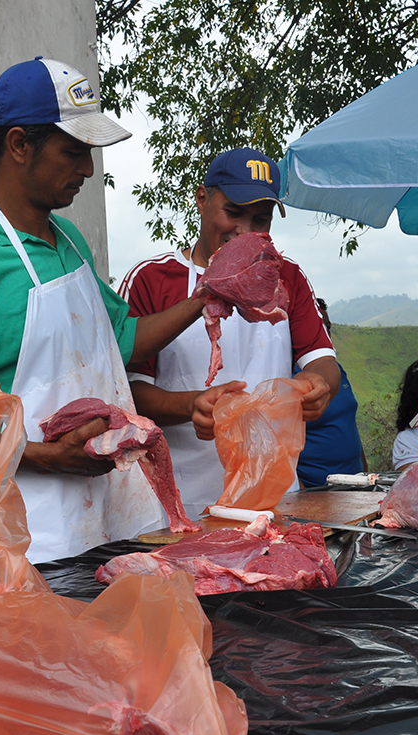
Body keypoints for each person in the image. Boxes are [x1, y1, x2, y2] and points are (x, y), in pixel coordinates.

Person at [0, 57, 206, 563]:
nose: (87, 169)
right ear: (18, 145)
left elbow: (122, 342)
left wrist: (207, 298)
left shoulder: (70, 242)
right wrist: (41, 457)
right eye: (73, 151)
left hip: (112, 523)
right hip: (24, 547)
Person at [118, 147, 338, 514]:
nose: (244, 231)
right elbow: (129, 391)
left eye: (261, 219)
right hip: (176, 505)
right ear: (202, 199)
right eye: (233, 212)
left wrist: (319, 386)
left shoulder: (287, 278)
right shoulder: (152, 279)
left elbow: (323, 361)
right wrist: (190, 405)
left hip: (272, 502)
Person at [297, 298, 366, 485]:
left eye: (327, 327)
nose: (325, 334)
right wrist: (301, 493)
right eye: (318, 327)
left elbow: (348, 423)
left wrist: (367, 474)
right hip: (316, 490)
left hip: (355, 483)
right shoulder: (289, 375)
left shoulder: (335, 370)